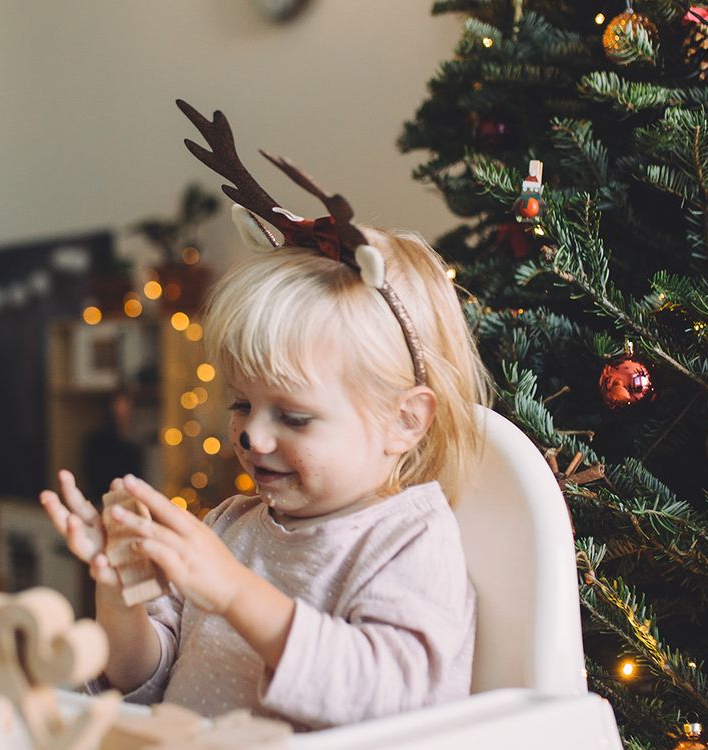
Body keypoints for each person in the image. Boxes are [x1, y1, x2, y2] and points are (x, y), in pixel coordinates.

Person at [37, 102, 491, 731]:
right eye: (242, 403)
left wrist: (233, 591)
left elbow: (394, 701)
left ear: (404, 422)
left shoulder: (407, 540)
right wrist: (119, 595)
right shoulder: (231, 525)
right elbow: (146, 683)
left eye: (295, 417)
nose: (251, 433)